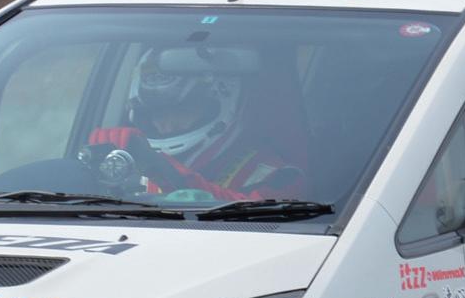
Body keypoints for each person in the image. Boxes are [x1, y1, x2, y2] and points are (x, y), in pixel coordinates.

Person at [84, 47, 306, 202]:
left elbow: (255, 217)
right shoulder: (125, 167)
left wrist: (164, 169)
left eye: (182, 111)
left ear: (224, 103)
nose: (167, 125)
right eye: (157, 113)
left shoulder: (277, 175)